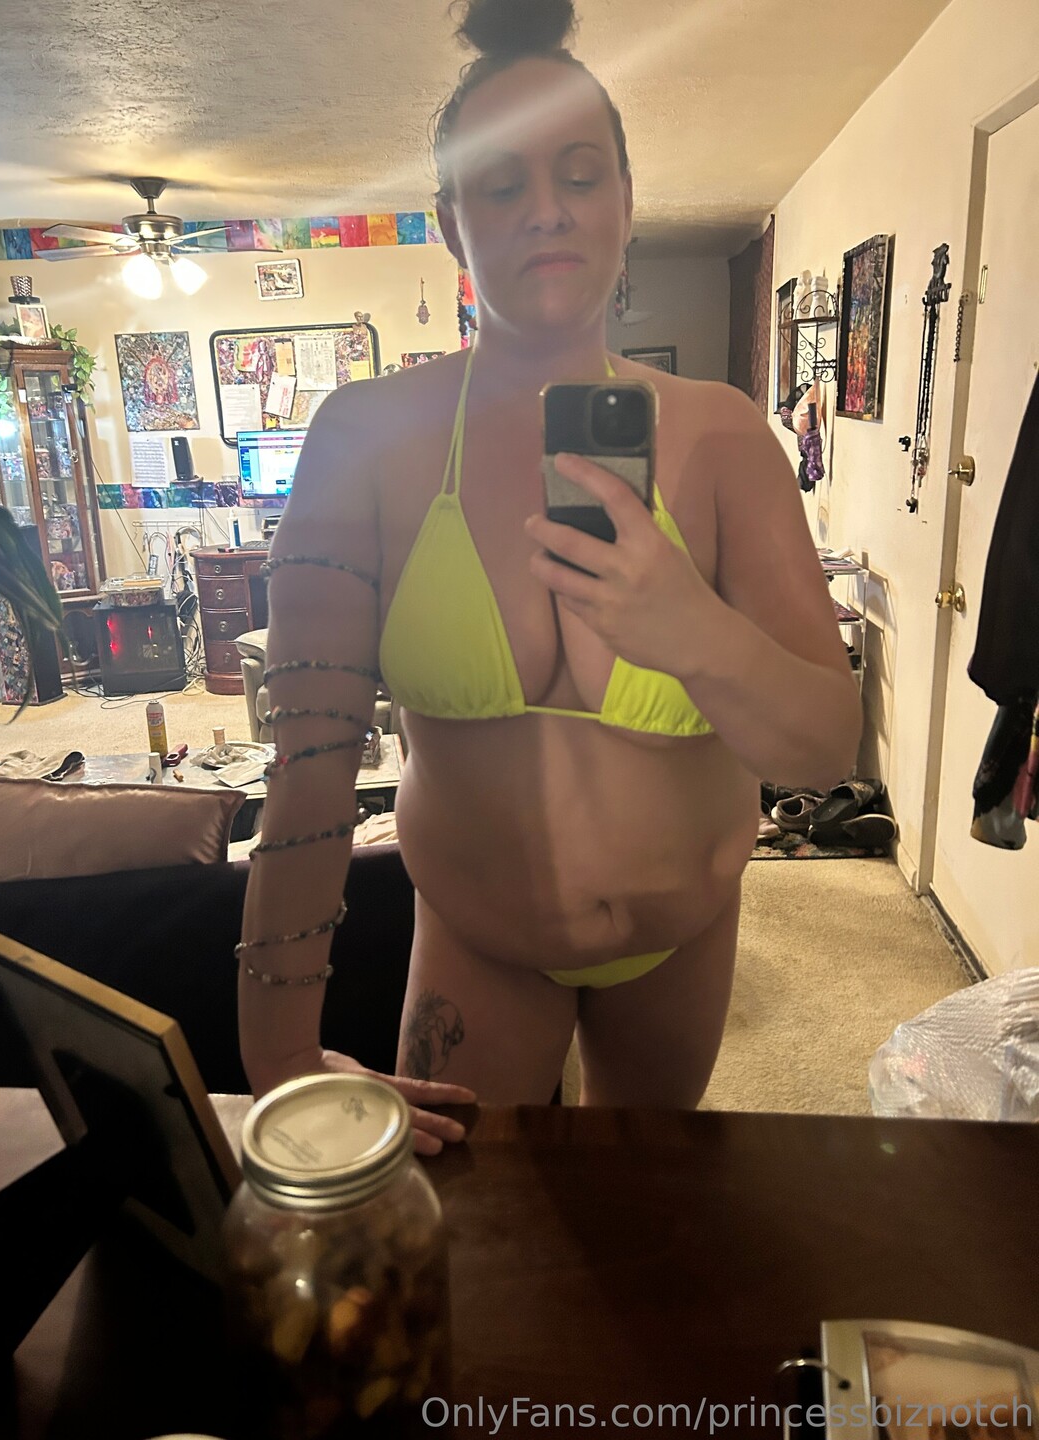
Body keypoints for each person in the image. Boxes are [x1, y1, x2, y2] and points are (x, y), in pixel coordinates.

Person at [238, 0, 862, 1152]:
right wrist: (275, 1049)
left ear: (625, 198)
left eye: (580, 175)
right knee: (475, 1234)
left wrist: (690, 630)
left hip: (682, 940)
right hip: (478, 941)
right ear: (451, 221)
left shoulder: (726, 437)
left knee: (642, 1220)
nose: (548, 210)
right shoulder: (364, 439)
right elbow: (309, 766)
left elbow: (824, 748)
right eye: (501, 184)